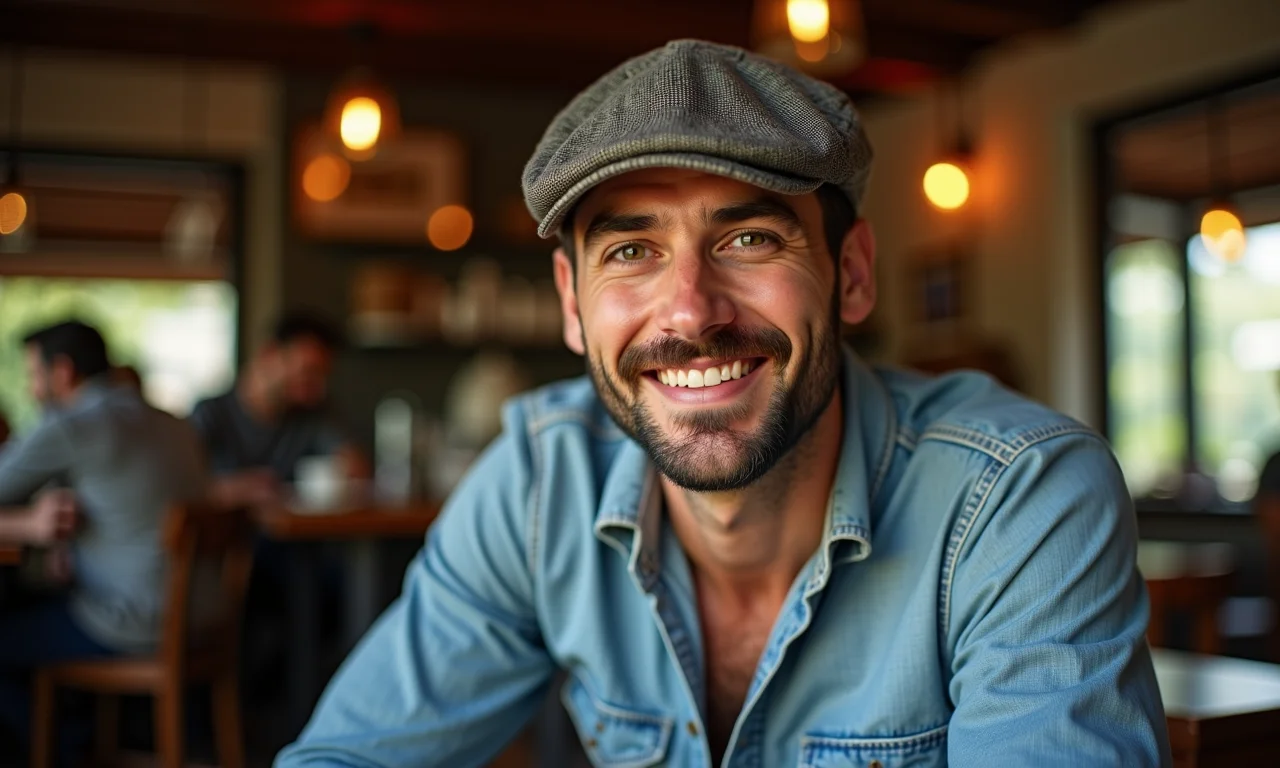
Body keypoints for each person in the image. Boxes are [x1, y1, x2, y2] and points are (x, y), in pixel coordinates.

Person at [278, 41, 1170, 767]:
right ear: (570, 303)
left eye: (748, 237)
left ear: (851, 274)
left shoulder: (1019, 499)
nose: (691, 311)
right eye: (630, 252)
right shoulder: (540, 479)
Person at [0, 320, 206, 751]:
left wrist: (27, 525)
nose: (30, 387)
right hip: (199, 614)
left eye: (33, 374)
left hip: (129, 621)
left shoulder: (71, 425)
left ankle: (61, 748)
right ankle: (80, 736)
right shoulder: (172, 422)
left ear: (62, 372)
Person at [189, 312, 368, 507]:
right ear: (269, 354)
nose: (318, 387)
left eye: (324, 376)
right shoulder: (210, 414)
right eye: (309, 372)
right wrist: (230, 489)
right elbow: (179, 486)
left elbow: (355, 467)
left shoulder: (314, 413)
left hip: (294, 534)